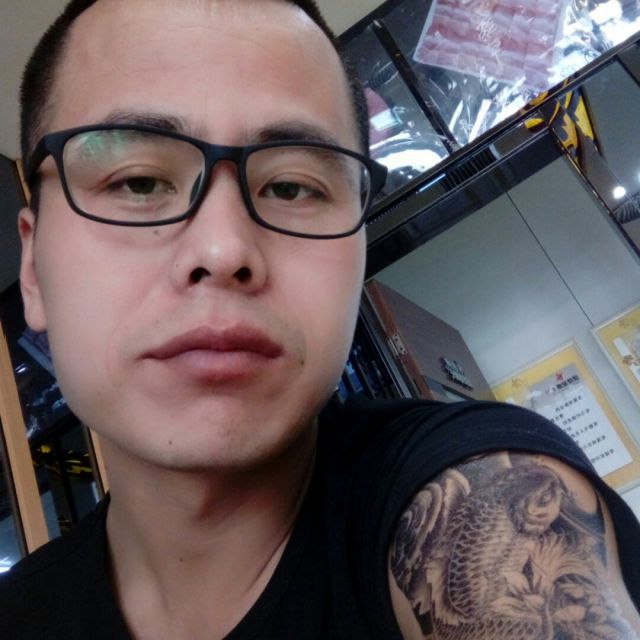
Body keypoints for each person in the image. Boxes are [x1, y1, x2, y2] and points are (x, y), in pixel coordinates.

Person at [1, 0, 640, 638]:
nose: (223, 250)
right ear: (33, 268)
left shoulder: (465, 494)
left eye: (291, 187)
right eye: (138, 182)